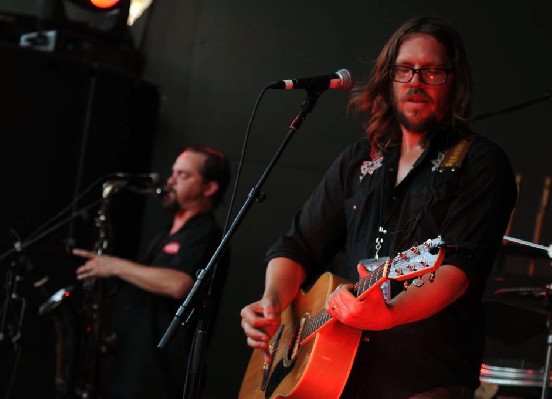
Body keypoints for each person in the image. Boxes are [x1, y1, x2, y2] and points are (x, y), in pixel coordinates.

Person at [239, 15, 517, 399]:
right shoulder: (359, 160)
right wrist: (272, 301)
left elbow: (457, 268)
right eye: (404, 70)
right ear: (388, 79)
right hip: (334, 374)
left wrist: (392, 314)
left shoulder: (479, 162)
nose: (415, 81)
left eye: (431, 71)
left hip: (423, 378)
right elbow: (297, 245)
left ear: (454, 82)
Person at [73, 145, 231, 399]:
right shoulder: (165, 234)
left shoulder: (206, 234)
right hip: (130, 365)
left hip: (159, 376)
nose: (170, 181)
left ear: (209, 188)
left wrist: (114, 266)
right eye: (173, 173)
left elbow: (179, 284)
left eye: (183, 175)